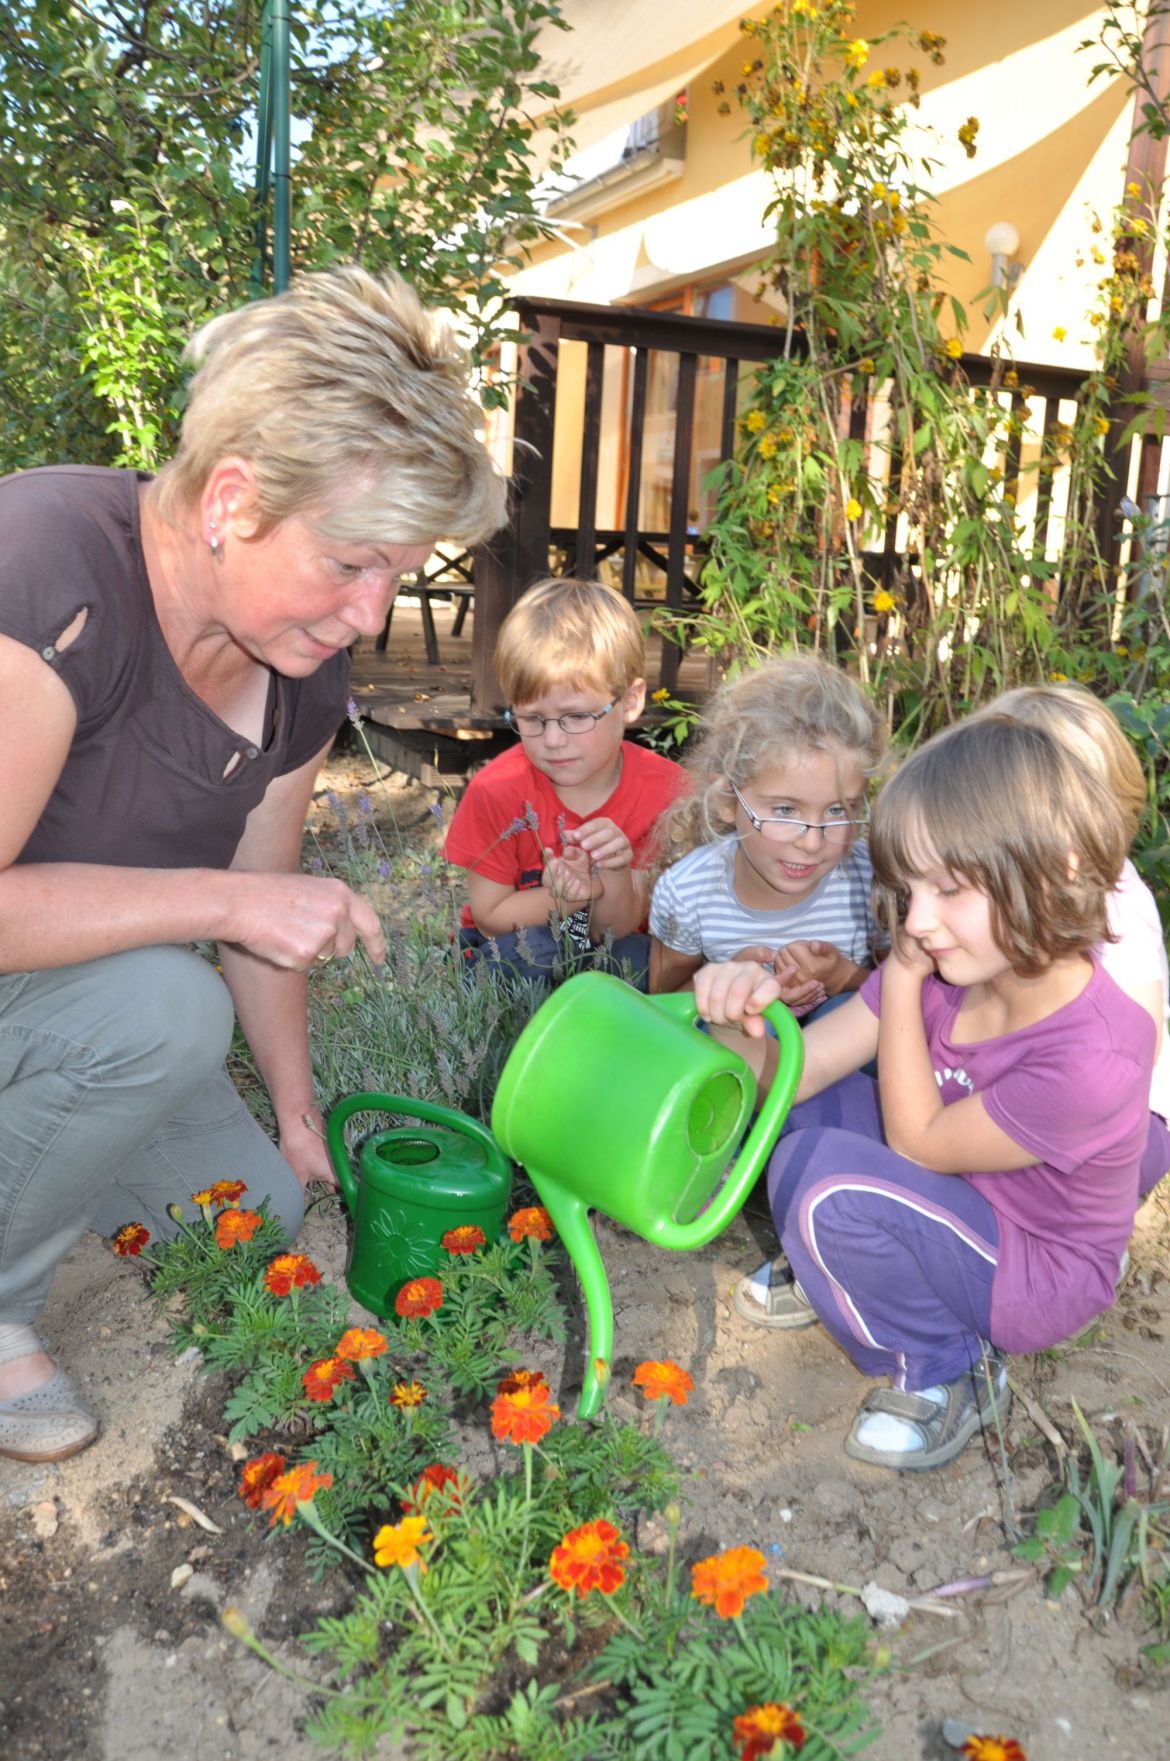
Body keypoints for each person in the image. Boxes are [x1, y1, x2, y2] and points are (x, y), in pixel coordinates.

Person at [0, 266, 505, 1463]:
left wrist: (296, 1112)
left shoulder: (298, 663)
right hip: (65, 991)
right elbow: (234, 906)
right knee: (164, 1010)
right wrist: (228, 899)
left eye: (402, 572)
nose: (372, 612)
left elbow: (261, 920)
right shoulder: (49, 567)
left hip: (51, 1003)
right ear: (232, 497)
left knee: (255, 1210)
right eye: (352, 561)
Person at [695, 716, 1155, 1473]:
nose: (916, 921)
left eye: (948, 889)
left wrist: (902, 979)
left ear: (1054, 869)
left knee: (827, 1191)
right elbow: (798, 1070)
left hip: (1028, 1269)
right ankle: (854, 1270)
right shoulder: (954, 958)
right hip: (955, 1198)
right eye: (908, 890)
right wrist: (736, 1008)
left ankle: (949, 1363)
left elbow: (917, 1142)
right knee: (801, 1123)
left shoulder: (1093, 1054)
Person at [443, 577, 685, 987]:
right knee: (535, 951)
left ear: (629, 702)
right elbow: (489, 917)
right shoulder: (496, 789)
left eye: (576, 717)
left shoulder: (671, 792)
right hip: (509, 942)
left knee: (642, 960)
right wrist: (563, 899)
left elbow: (620, 927)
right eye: (532, 719)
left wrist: (613, 874)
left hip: (615, 943)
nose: (553, 740)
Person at [988, 683, 1169, 1199]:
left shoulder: (1119, 905)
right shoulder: (998, 887)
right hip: (1025, 1079)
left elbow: (1142, 1041)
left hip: (1125, 1114)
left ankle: (1093, 1233)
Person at [648, 656, 884, 1011]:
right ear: (728, 800)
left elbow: (915, 1002)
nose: (812, 842)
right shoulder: (688, 894)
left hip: (844, 1056)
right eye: (786, 810)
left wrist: (846, 978)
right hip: (741, 1055)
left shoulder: (871, 880)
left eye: (838, 810)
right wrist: (724, 980)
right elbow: (661, 1008)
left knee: (848, 1009)